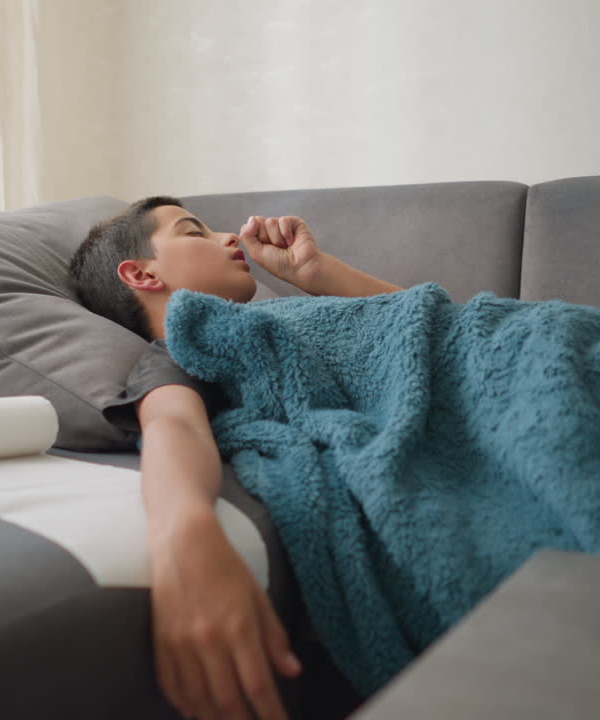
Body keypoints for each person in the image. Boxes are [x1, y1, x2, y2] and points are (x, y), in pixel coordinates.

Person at [68, 197, 400, 720]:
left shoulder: (282, 316)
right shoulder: (179, 349)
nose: (229, 238)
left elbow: (431, 322)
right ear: (140, 273)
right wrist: (185, 535)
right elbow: (173, 423)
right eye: (193, 231)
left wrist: (318, 273)